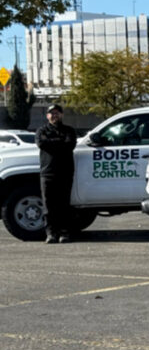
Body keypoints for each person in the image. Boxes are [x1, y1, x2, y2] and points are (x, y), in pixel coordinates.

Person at [35, 103, 78, 244]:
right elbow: (42, 144)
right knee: (48, 206)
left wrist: (52, 143)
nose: (54, 115)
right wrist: (59, 143)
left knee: (64, 204)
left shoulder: (69, 130)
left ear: (62, 115)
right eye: (52, 113)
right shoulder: (41, 130)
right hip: (47, 173)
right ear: (47, 116)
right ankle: (51, 234)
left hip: (65, 172)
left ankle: (64, 233)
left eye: (57, 113)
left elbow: (70, 145)